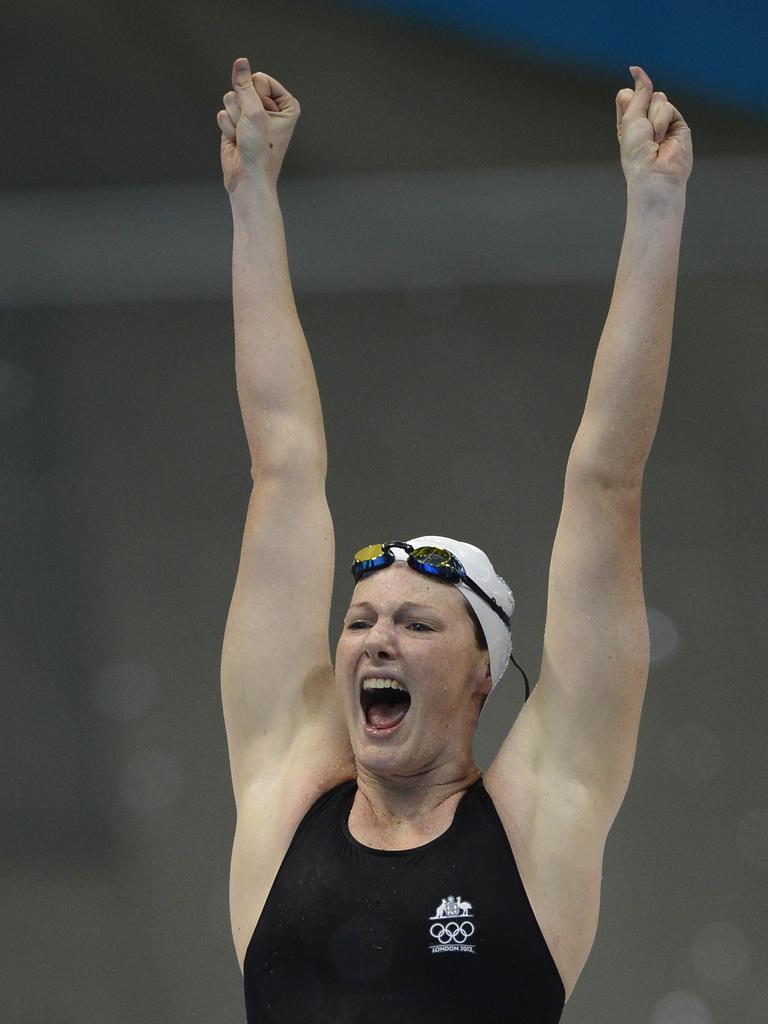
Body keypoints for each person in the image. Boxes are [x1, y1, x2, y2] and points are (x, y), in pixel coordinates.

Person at [216, 57, 692, 1023]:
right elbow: (283, 464)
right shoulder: (283, 790)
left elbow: (608, 484)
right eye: (359, 619)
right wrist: (252, 194)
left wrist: (655, 207)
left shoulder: (539, 819)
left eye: (418, 624)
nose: (376, 638)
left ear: (485, 673)